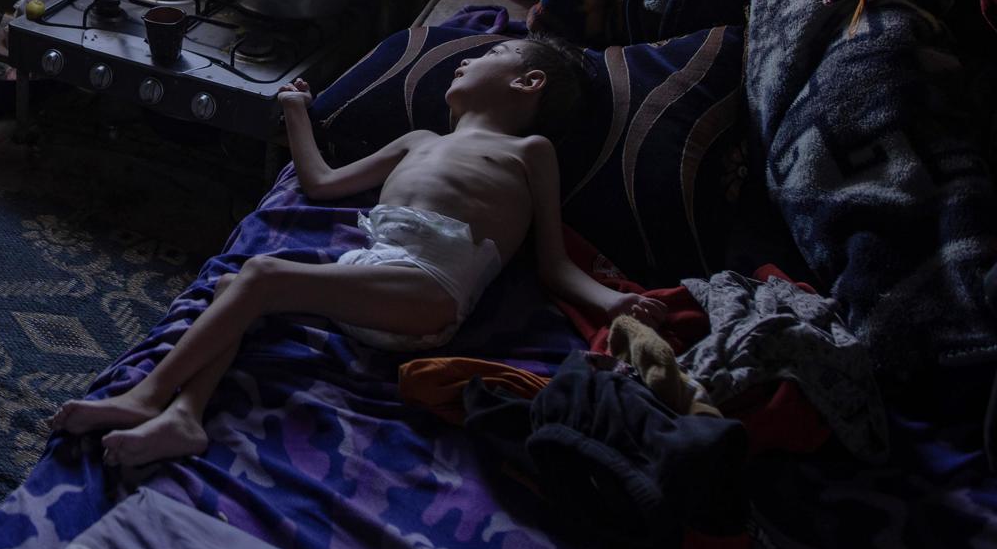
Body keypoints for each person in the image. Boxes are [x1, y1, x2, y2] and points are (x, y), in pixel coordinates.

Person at [50, 37, 668, 467]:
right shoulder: (417, 139)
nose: (465, 63)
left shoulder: (530, 151)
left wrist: (616, 302)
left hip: (429, 291)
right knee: (235, 292)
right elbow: (320, 183)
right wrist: (297, 111)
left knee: (261, 275)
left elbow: (554, 263)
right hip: (370, 279)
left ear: (526, 82)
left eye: (489, 55)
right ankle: (186, 414)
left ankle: (146, 394)